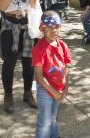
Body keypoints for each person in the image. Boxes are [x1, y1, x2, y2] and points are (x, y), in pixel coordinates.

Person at [32, 10, 71, 138]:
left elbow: (66, 68)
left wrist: (65, 88)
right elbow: (39, 76)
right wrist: (53, 91)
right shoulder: (39, 48)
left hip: (59, 89)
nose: (54, 30)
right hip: (45, 90)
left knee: (53, 117)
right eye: (49, 27)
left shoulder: (63, 46)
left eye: (56, 27)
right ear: (42, 28)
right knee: (45, 122)